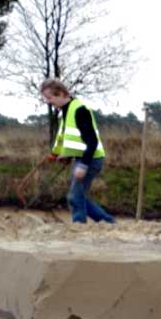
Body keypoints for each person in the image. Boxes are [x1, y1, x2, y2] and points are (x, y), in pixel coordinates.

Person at [39, 79, 115, 224]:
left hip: (91, 159)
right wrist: (58, 154)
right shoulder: (67, 112)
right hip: (83, 158)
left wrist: (83, 165)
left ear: (61, 93)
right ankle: (108, 223)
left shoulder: (80, 110)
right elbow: (72, 140)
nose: (48, 102)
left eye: (49, 98)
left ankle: (80, 226)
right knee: (77, 196)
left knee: (74, 197)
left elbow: (92, 141)